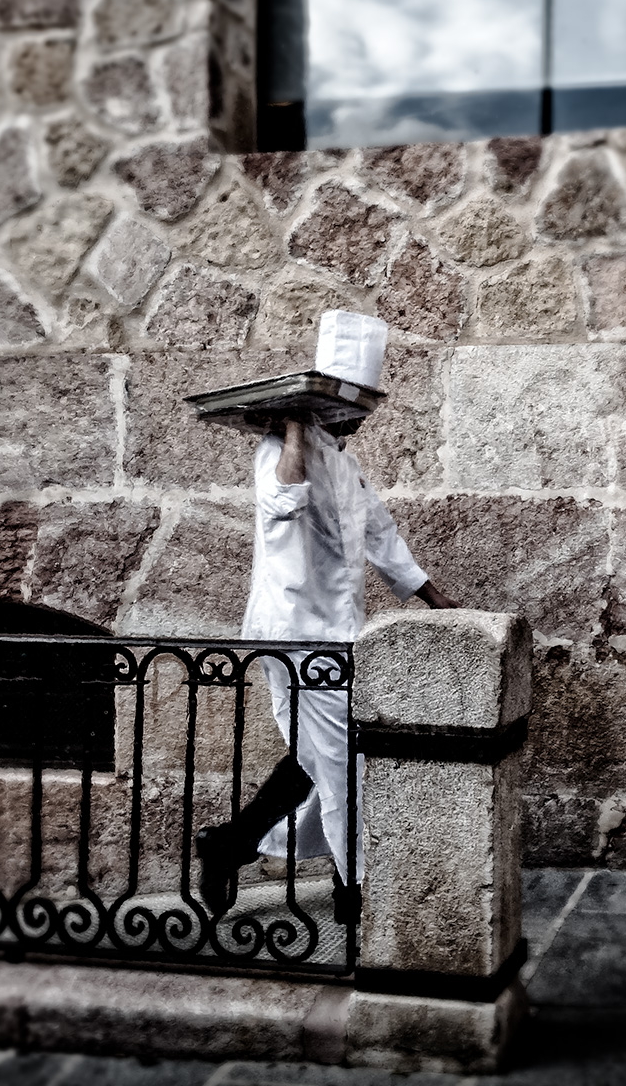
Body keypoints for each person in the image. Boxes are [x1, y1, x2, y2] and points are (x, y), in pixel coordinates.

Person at [196, 312, 460, 921]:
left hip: (337, 635)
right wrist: (292, 426)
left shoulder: (346, 463)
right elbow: (282, 502)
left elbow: (382, 535)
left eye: (361, 406)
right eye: (346, 405)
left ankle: (231, 843)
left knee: (318, 755)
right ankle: (353, 888)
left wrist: (434, 597)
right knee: (341, 759)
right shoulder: (277, 450)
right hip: (294, 633)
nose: (357, 418)